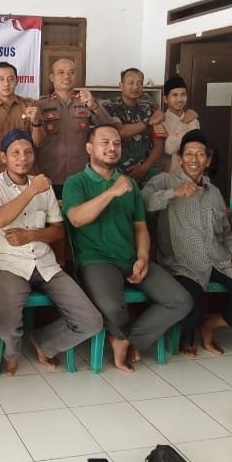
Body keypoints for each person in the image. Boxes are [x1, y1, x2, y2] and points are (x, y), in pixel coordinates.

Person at [142, 130, 232, 356]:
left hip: (221, 262)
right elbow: (141, 203)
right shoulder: (164, 181)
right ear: (180, 158)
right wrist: (172, 193)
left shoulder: (214, 193)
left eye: (200, 154)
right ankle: (189, 332)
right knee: (185, 307)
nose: (194, 159)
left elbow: (225, 233)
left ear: (208, 160)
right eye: (189, 154)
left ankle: (213, 323)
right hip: (183, 265)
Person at [64, 125, 191, 372]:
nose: (112, 148)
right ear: (89, 148)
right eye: (105, 143)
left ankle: (127, 340)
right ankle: (121, 338)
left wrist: (142, 257)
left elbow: (140, 228)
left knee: (180, 301)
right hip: (96, 260)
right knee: (113, 307)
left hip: (130, 258)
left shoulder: (130, 184)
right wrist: (112, 191)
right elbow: (77, 218)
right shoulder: (76, 182)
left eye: (117, 143)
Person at [0, 129, 103, 375]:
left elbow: (58, 231)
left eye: (28, 152)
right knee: (7, 326)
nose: (22, 158)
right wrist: (32, 190)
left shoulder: (42, 185)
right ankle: (11, 353)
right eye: (15, 153)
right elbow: (0, 219)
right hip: (8, 265)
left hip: (45, 264)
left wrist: (31, 235)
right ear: (3, 157)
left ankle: (44, 342)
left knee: (91, 321)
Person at [30, 57, 117, 198]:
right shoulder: (41, 105)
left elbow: (109, 129)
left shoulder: (86, 102)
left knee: (81, 210)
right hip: (49, 175)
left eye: (71, 72)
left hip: (81, 175)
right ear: (51, 77)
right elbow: (37, 141)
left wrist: (94, 106)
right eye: (61, 72)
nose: (67, 76)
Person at [103, 67, 164, 183]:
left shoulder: (150, 109)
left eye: (139, 83)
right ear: (121, 85)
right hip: (116, 173)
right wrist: (148, 122)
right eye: (131, 83)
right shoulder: (109, 107)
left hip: (147, 171)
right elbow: (118, 133)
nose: (136, 87)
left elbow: (159, 145)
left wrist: (144, 168)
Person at [157, 76, 201, 174]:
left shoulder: (193, 120)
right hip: (171, 176)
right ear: (165, 99)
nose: (180, 99)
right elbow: (169, 149)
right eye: (175, 95)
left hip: (192, 175)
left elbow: (198, 147)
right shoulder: (160, 122)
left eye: (183, 94)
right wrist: (183, 123)